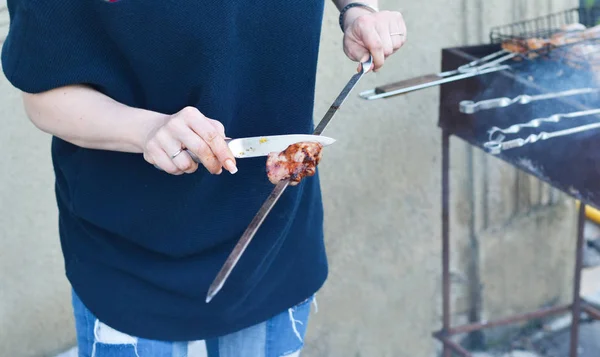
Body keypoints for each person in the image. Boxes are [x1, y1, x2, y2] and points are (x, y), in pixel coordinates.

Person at [2, 1, 406, 356]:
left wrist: (357, 9)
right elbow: (44, 95)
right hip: (129, 254)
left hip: (272, 241)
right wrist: (146, 130)